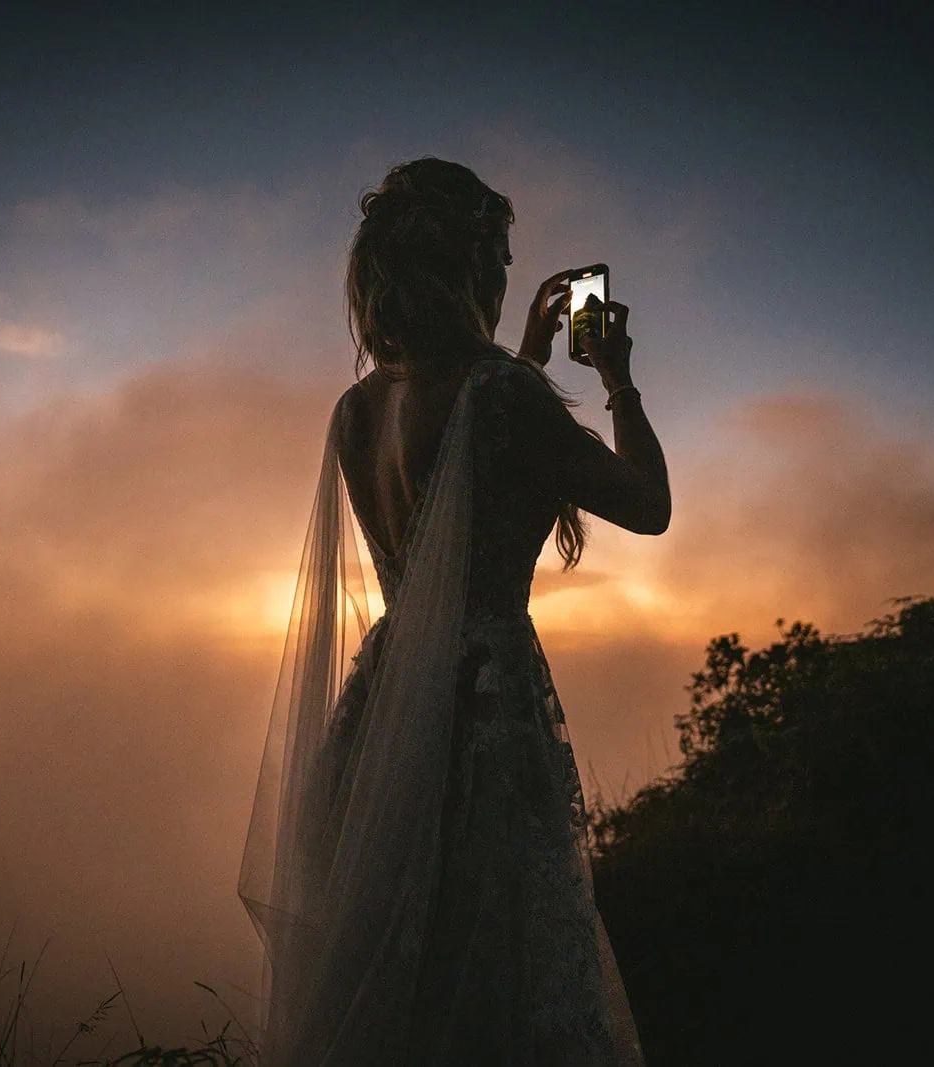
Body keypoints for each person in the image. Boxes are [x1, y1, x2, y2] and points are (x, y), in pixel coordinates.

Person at [239, 157, 670, 1067]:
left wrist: (525, 354)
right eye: (502, 253)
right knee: (493, 974)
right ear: (472, 263)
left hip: (384, 707)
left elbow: (454, 469)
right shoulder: (500, 395)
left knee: (410, 969)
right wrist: (619, 378)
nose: (510, 271)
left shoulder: (356, 409)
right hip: (479, 708)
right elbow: (647, 503)